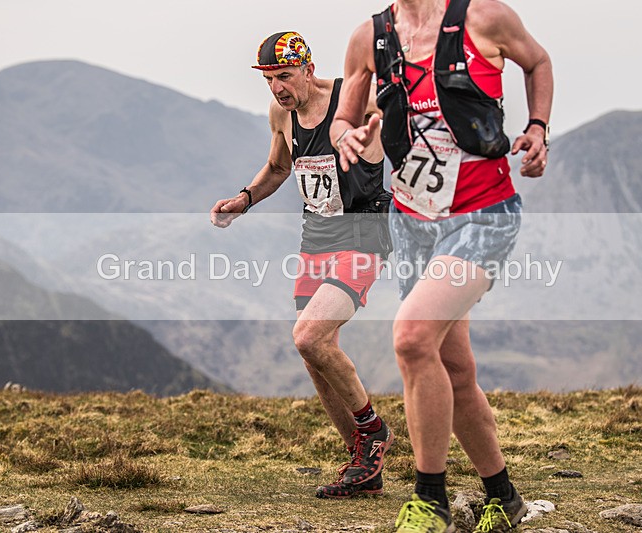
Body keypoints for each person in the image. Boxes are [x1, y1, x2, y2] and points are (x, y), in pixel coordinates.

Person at [330, 0, 553, 530]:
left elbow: (537, 61)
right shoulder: (370, 38)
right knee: (454, 369)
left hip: (483, 217)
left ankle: (430, 502)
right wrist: (350, 136)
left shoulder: (485, 17)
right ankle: (504, 496)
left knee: (410, 338)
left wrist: (539, 127)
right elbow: (345, 116)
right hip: (413, 222)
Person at [210, 31, 395, 499]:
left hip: (362, 234)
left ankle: (373, 431)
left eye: (285, 76)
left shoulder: (353, 101)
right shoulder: (281, 113)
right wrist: (244, 200)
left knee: (308, 334)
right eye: (269, 79)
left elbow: (406, 134)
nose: (277, 88)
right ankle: (363, 464)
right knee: (314, 353)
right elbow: (278, 168)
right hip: (316, 238)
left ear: (309, 70)